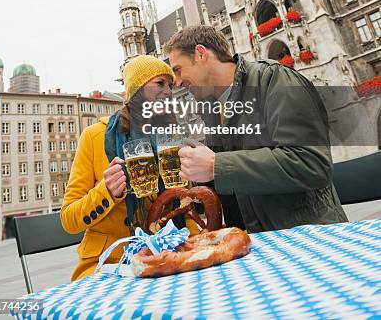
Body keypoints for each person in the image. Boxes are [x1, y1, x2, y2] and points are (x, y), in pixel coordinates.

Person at [164, 25, 347, 233]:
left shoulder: (274, 79)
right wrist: (196, 171)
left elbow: (311, 163)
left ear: (201, 53)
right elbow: (237, 182)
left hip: (308, 238)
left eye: (178, 70)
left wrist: (216, 164)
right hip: (254, 246)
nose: (177, 82)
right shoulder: (213, 110)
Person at [61, 55, 184, 281]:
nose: (168, 91)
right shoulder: (94, 137)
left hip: (165, 257)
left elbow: (184, 205)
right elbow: (69, 219)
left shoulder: (171, 138)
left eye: (170, 85)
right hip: (109, 263)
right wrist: (106, 192)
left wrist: (196, 245)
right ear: (136, 90)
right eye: (159, 83)